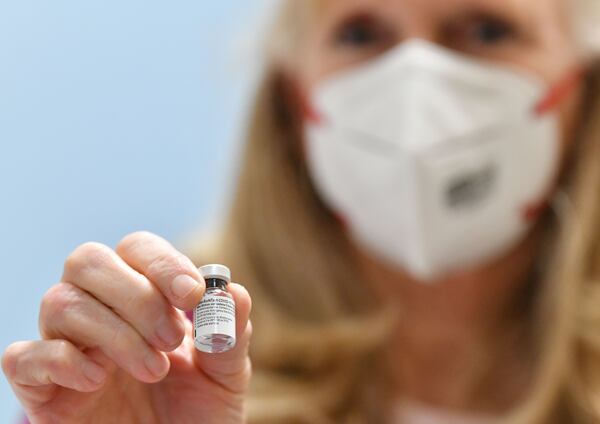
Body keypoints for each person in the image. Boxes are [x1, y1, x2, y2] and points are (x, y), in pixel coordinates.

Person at [4, 0, 600, 422]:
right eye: (362, 33)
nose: (417, 84)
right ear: (295, 101)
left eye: (488, 29)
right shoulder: (176, 357)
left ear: (584, 85)